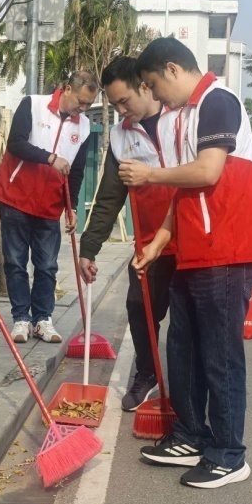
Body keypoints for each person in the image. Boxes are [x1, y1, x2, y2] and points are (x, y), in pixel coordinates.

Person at [121, 38, 252, 489]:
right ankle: (190, 434)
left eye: (153, 84)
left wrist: (149, 174)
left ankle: (229, 453)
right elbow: (184, 191)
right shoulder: (183, 117)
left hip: (227, 248)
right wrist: (158, 241)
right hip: (194, 249)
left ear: (172, 69)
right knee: (183, 347)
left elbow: (208, 172)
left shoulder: (217, 102)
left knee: (219, 353)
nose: (155, 96)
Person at [77, 57, 176, 412]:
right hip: (149, 245)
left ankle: (182, 387)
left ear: (146, 86)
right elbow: (109, 198)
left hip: (192, 242)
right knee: (139, 306)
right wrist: (89, 247)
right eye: (114, 104)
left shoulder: (178, 120)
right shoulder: (120, 136)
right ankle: (147, 373)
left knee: (186, 319)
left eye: (124, 101)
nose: (121, 111)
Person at [0, 73, 99, 344]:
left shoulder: (83, 127)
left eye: (88, 104)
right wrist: (49, 158)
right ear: (66, 89)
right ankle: (21, 319)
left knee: (47, 265)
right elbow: (15, 143)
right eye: (81, 102)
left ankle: (42, 319)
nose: (83, 109)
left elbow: (76, 172)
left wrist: (70, 208)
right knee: (15, 263)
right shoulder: (32, 104)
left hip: (50, 204)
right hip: (16, 196)